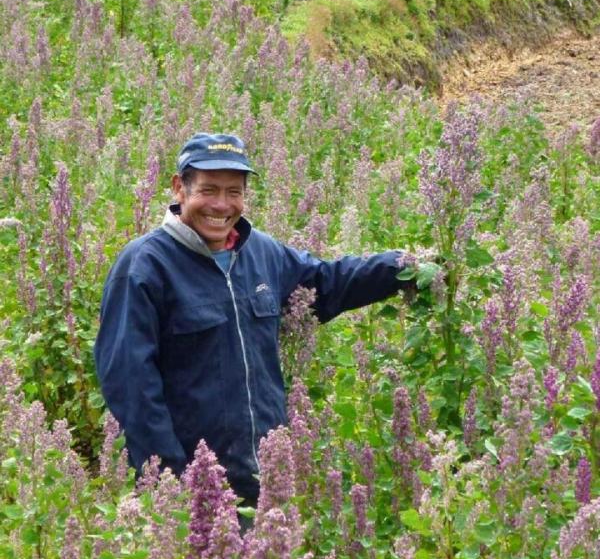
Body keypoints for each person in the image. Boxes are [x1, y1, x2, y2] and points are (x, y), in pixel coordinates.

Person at [94, 132, 422, 505]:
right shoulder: (144, 266)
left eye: (234, 192)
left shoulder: (262, 252)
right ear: (179, 188)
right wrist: (171, 484)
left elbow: (327, 284)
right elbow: (131, 386)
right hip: (193, 486)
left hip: (265, 477)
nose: (221, 204)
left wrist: (404, 267)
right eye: (209, 190)